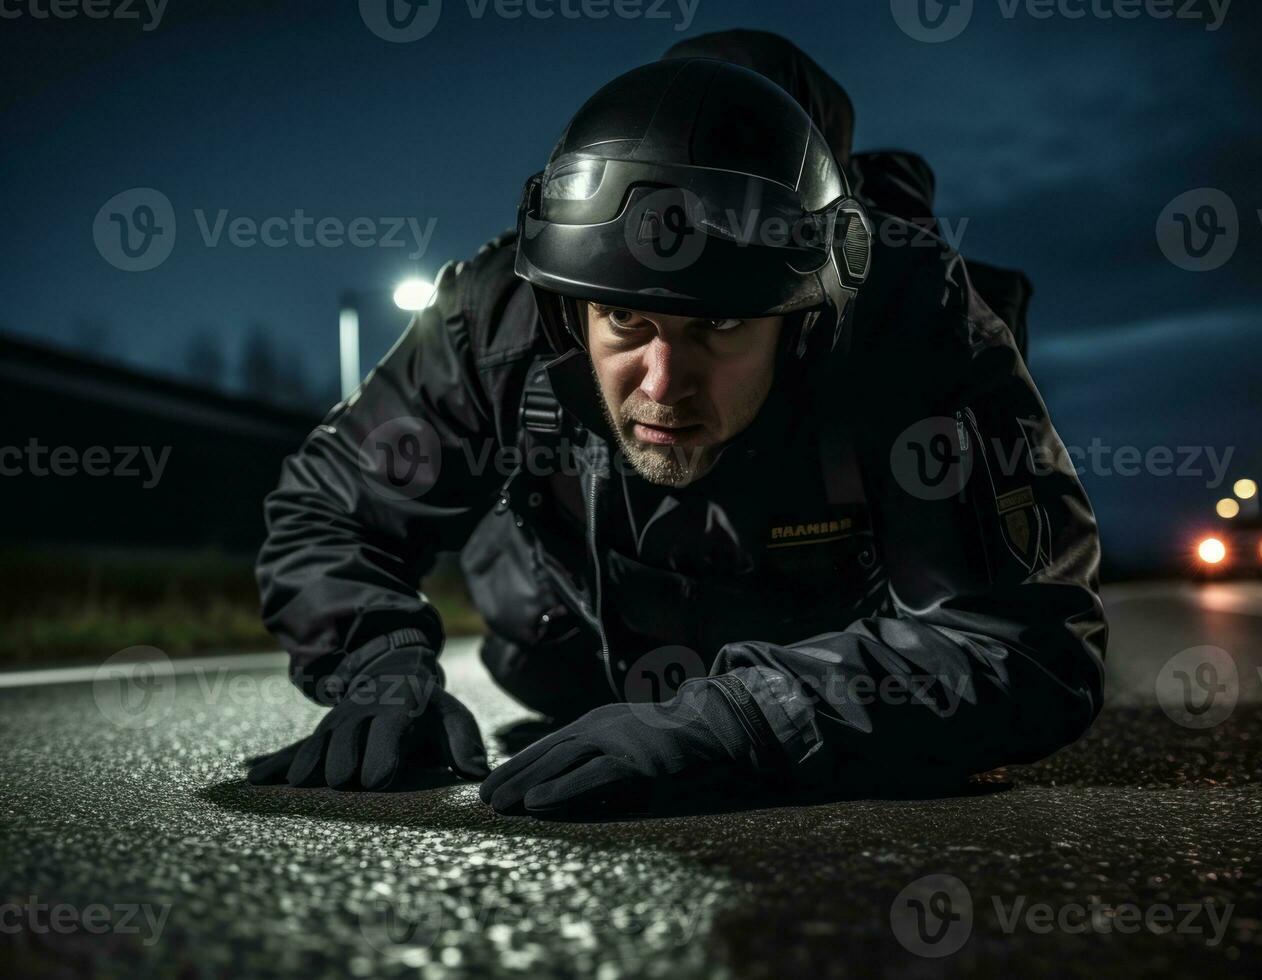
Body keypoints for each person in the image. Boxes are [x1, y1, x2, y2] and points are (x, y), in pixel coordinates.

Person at [247, 36, 1107, 817]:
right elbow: (330, 510)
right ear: (566, 306)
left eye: (721, 326)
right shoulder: (501, 312)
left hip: (812, 648)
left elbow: (1024, 645)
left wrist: (744, 720)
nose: (663, 387)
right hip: (562, 655)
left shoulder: (913, 323)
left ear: (807, 311)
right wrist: (379, 665)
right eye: (625, 323)